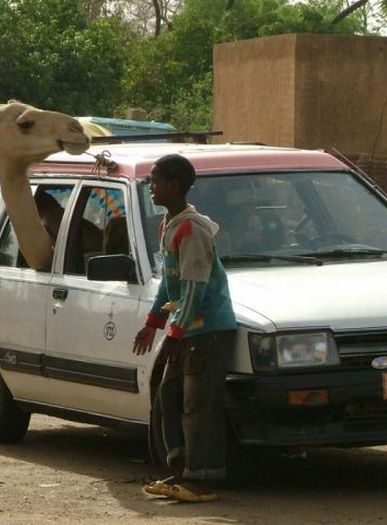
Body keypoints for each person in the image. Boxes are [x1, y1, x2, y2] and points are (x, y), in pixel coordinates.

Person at [132, 154, 237, 503]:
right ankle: (181, 469)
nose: (151, 187)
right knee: (169, 394)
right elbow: (170, 283)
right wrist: (153, 323)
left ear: (174, 185)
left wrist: (174, 334)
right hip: (186, 329)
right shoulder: (170, 225)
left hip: (207, 331)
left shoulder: (192, 230)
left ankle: (202, 478)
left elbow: (195, 288)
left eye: (156, 181)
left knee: (198, 404)